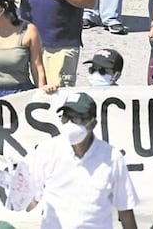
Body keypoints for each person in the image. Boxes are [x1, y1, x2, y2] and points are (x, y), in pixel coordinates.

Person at [15, 93, 137, 228]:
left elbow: (125, 209)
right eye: (65, 117)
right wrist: (17, 192)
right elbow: (30, 202)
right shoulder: (46, 151)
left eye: (77, 118)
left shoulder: (112, 158)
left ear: (92, 124)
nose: (70, 124)